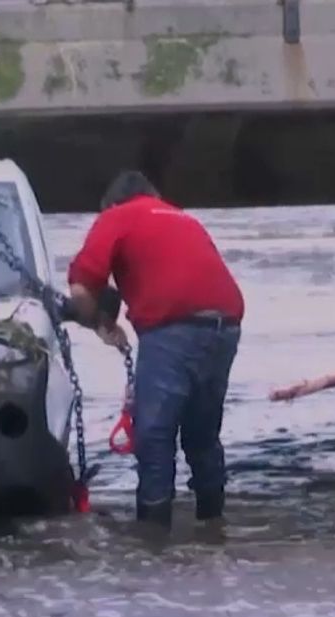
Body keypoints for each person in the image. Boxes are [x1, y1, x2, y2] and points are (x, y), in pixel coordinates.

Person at [65, 171, 245, 529]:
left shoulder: (116, 216)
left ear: (113, 203)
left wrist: (101, 326)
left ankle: (154, 535)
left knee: (154, 435)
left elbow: (81, 288)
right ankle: (213, 523)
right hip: (225, 327)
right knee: (202, 434)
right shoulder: (183, 218)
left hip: (172, 330)